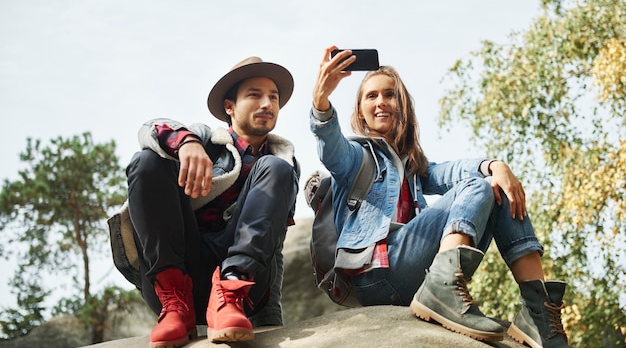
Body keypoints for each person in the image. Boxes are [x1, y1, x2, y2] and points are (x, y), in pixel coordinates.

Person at [309, 46, 570, 347]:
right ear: (361, 112)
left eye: (390, 94)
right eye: (372, 96)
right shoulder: (356, 157)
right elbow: (331, 148)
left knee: (496, 187)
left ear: (402, 105)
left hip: (410, 275)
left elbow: (451, 171)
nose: (381, 102)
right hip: (376, 273)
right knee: (481, 186)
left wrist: (495, 166)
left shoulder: (413, 169)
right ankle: (443, 286)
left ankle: (538, 313)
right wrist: (321, 103)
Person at [126, 56, 299, 347]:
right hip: (183, 267)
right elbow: (149, 129)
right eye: (254, 95)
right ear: (229, 107)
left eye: (273, 97)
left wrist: (270, 318)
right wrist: (187, 143)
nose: (267, 104)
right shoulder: (203, 138)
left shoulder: (283, 162)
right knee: (146, 161)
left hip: (243, 284)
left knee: (276, 167)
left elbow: (274, 247)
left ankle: (230, 292)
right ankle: (175, 304)